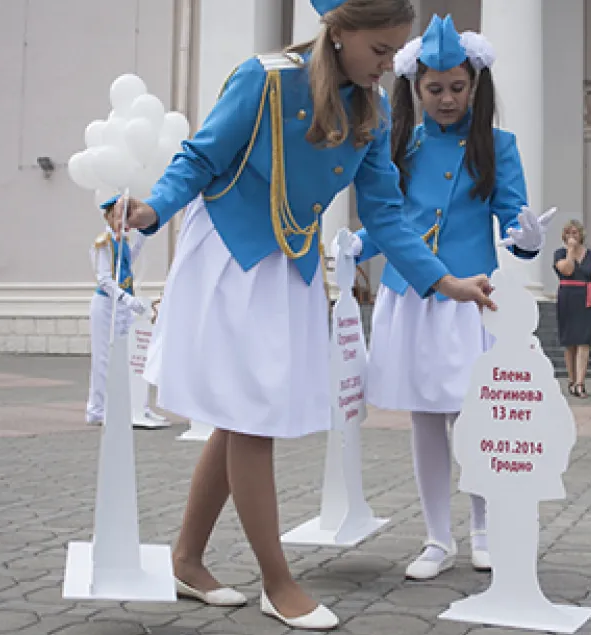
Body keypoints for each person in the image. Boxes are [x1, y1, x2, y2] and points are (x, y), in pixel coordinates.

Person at [108, 1, 496, 629]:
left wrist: (444, 282)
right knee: (251, 417)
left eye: (395, 53)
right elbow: (201, 158)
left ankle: (187, 558)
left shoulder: (371, 108)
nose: (387, 68)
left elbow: (387, 215)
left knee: (240, 419)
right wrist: (152, 210)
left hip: (292, 265)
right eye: (379, 51)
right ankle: (277, 580)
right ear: (339, 35)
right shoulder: (263, 78)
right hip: (232, 259)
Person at [345, 14, 551, 581]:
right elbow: (389, 219)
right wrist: (348, 252)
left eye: (457, 87)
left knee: (476, 416)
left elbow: (515, 222)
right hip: (411, 296)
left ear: (475, 85)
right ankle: (438, 538)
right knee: (426, 419)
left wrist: (529, 239)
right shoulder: (399, 143)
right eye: (434, 89)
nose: (446, 98)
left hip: (473, 298)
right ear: (414, 87)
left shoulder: (497, 146)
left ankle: (482, 529)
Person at [86, 202, 151, 426]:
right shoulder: (103, 243)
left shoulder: (121, 242)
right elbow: (104, 279)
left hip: (122, 304)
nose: (125, 223)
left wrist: (142, 240)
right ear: (110, 218)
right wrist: (126, 298)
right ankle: (98, 409)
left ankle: (134, 406)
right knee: (103, 358)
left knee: (129, 356)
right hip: (106, 304)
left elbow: (125, 265)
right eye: (119, 218)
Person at [554, 220, 591, 398]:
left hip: (587, 299)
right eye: (569, 233)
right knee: (570, 343)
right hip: (567, 298)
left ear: (581, 235)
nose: (572, 236)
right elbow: (567, 270)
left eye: (575, 233)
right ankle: (572, 380)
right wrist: (571, 252)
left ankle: (580, 382)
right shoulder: (559, 253)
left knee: (584, 341)